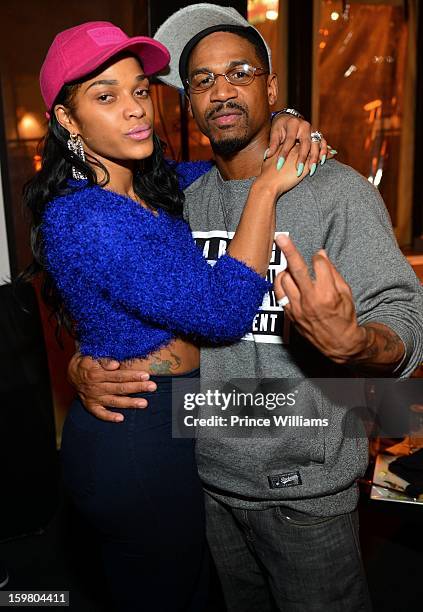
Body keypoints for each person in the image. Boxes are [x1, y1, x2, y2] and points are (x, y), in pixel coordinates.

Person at [69, 5, 423, 612]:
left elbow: (408, 326)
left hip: (305, 496)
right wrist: (84, 361)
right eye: (202, 80)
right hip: (203, 484)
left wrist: (357, 343)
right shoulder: (176, 198)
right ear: (186, 102)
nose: (221, 90)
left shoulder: (338, 191)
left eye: (239, 72)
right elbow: (112, 285)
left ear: (271, 86)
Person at [21, 19, 326, 612]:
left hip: (178, 413)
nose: (136, 110)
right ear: (66, 119)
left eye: (140, 90)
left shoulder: (155, 184)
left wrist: (279, 117)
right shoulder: (85, 216)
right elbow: (220, 312)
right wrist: (266, 190)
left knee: (189, 587)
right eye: (105, 97)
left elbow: (224, 170)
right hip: (135, 433)